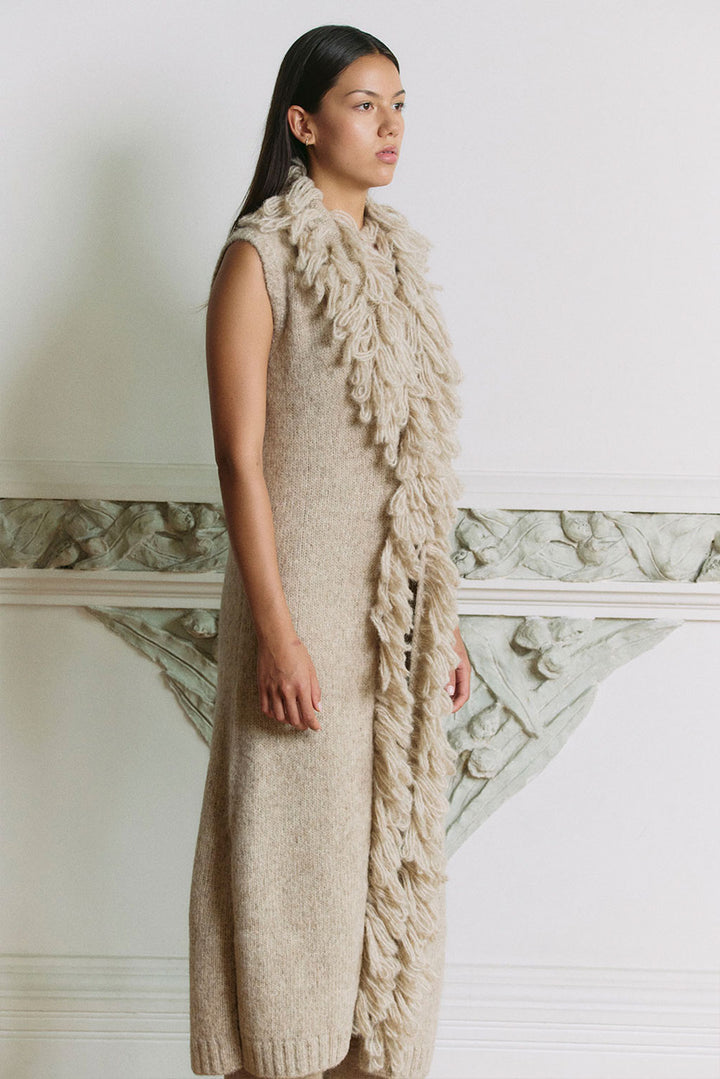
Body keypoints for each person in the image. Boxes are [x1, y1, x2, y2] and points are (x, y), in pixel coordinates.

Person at [188, 24, 471, 1079]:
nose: (390, 126)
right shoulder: (257, 258)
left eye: (399, 105)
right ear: (303, 124)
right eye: (363, 104)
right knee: (290, 877)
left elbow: (415, 465)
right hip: (298, 616)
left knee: (380, 884)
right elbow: (239, 459)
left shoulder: (398, 269)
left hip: (390, 632)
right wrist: (276, 632)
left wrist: (442, 621)